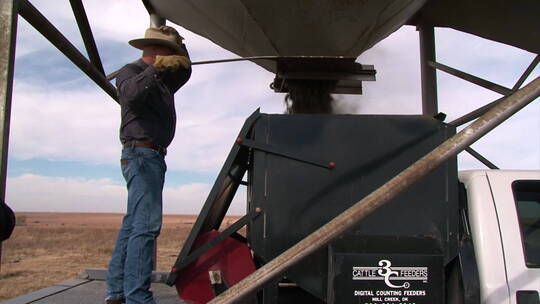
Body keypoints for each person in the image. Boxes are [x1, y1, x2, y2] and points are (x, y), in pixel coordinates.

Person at [105, 25, 192, 304]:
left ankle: (117, 291)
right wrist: (155, 68)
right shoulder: (130, 73)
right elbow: (130, 96)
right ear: (157, 52)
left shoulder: (164, 81)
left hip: (150, 157)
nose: (173, 59)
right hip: (141, 156)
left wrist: (181, 45)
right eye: (170, 52)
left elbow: (186, 71)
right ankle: (137, 297)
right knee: (146, 226)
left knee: (133, 224)